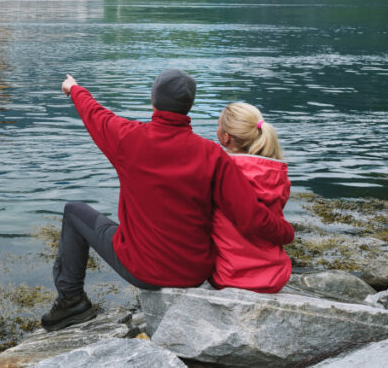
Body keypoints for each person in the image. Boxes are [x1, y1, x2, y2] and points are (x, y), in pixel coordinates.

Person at [41, 69, 295, 331]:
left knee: (74, 212)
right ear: (189, 106)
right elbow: (250, 217)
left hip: (144, 271)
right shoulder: (212, 155)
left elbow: (95, 114)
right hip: (196, 273)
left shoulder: (128, 138)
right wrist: (288, 233)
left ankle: (71, 302)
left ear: (153, 101)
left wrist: (74, 89)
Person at [210, 102, 292, 293]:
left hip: (228, 276)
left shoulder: (219, 171)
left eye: (219, 125)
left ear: (226, 137)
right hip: (274, 276)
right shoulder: (278, 174)